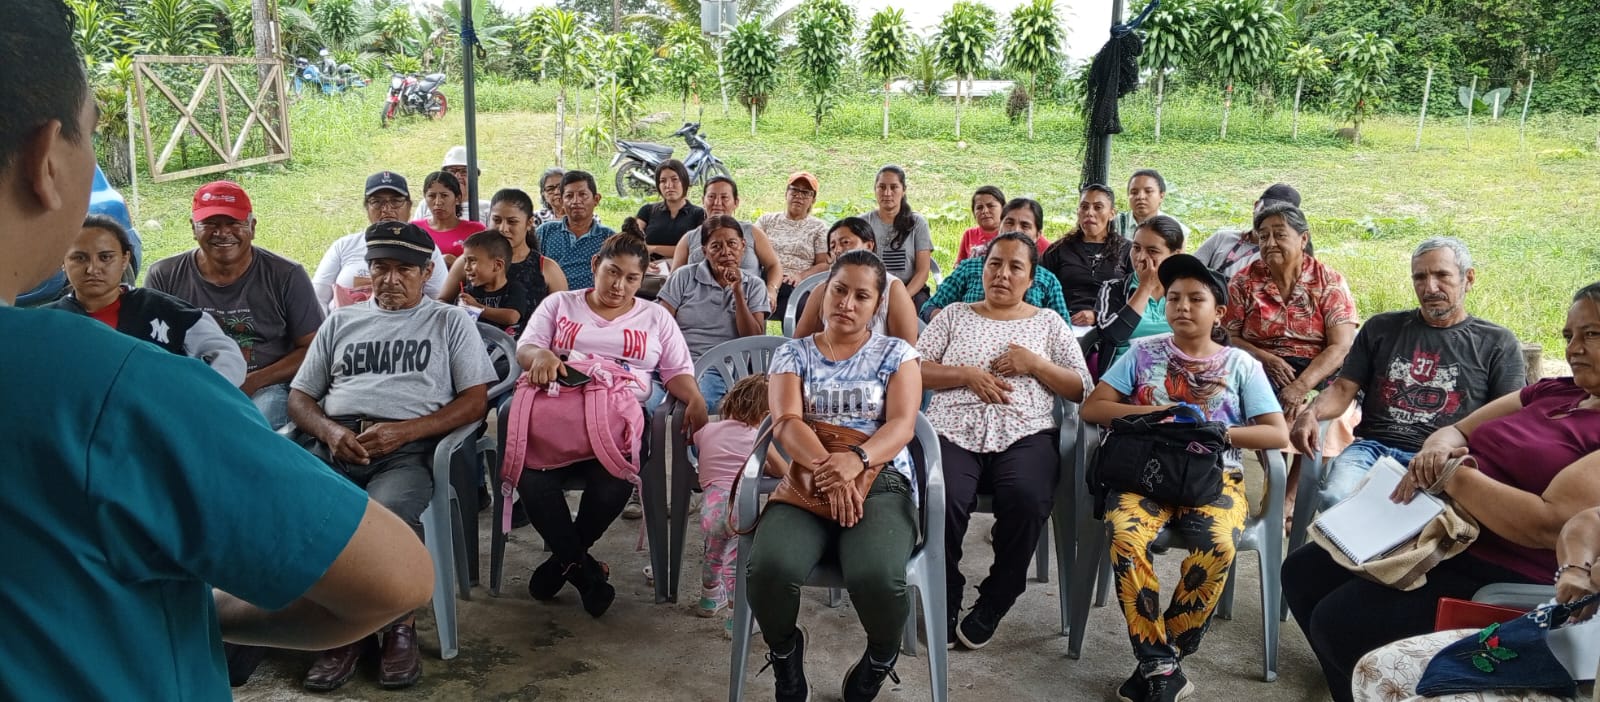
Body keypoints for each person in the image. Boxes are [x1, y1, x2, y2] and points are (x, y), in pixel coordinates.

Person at [0, 5, 429, 697]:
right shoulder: (115, 389)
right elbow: (397, 578)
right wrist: (206, 611)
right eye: (93, 134)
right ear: (46, 159)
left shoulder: (266, 287)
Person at [1283, 282, 1600, 702]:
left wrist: (1452, 476)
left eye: (1591, 334)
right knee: (1302, 573)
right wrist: (1434, 450)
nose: (1574, 348)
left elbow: (1546, 524)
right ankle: (1358, 688)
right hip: (1437, 528)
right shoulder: (1555, 391)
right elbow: (1458, 429)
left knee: (1340, 623)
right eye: (1569, 335)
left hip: (1500, 562)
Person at [287, 221, 496, 691]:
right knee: (307, 510)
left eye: (405, 269)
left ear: (427, 273)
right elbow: (300, 398)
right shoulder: (341, 321)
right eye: (380, 268)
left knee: (387, 515)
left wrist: (406, 432)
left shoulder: (449, 322)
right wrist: (331, 431)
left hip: (408, 449)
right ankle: (346, 629)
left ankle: (397, 626)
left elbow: (474, 402)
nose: (391, 279)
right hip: (337, 442)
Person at [1080, 254, 1289, 702]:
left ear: (1219, 311)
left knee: (1219, 543)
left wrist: (1217, 432)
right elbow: (1093, 408)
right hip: (1146, 474)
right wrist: (1160, 413)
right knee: (1125, 534)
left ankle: (1161, 656)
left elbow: (1276, 432)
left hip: (1214, 476)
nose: (1183, 306)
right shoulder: (1142, 352)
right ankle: (1161, 662)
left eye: (1196, 298)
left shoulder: (1240, 365)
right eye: (1174, 298)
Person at [747, 249, 924, 702]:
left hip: (881, 477)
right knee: (768, 569)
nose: (846, 303)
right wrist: (832, 468)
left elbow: (902, 425)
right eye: (839, 290)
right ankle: (785, 654)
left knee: (877, 577)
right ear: (824, 293)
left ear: (877, 304)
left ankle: (881, 657)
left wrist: (857, 460)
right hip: (809, 477)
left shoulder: (896, 353)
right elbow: (787, 422)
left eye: (861, 296)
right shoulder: (793, 353)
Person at [516, 228, 709, 617]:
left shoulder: (655, 317)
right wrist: (541, 356)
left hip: (620, 427)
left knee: (613, 485)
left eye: (632, 278)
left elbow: (675, 371)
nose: (619, 286)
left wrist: (695, 397)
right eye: (612, 272)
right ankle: (584, 572)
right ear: (595, 265)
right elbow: (526, 347)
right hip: (558, 421)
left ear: (643, 278)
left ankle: (563, 564)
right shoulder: (560, 304)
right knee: (532, 481)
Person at [918, 232, 1090, 650]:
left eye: (1016, 267)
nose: (1003, 274)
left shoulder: (1047, 323)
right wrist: (965, 375)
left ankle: (999, 595)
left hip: (1025, 433)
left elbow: (1080, 387)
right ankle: (946, 590)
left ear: (1031, 278)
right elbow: (913, 368)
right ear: (983, 268)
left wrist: (1035, 364)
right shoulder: (954, 315)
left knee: (1027, 499)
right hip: (953, 430)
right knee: (942, 498)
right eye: (995, 264)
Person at [1289, 237, 1525, 506]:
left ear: (1468, 279)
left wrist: (1450, 453)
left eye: (1442, 275)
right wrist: (1311, 413)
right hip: (1372, 448)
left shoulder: (1496, 343)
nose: (1430, 287)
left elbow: (1505, 420)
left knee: (1422, 519)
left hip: (1441, 459)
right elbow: (1343, 389)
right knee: (1337, 499)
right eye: (1420, 277)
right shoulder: (1381, 328)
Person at [1349, 505, 1600, 701]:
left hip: (1587, 680)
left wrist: (1457, 478)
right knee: (1375, 670)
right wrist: (1576, 568)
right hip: (1570, 643)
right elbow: (1592, 518)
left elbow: (1544, 517)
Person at [146, 179, 325, 430]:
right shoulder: (164, 275)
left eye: (233, 223)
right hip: (192, 385)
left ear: (252, 226)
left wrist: (253, 380)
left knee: (252, 430)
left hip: (266, 385)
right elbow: (151, 350)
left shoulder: (286, 274)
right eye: (210, 223)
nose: (222, 232)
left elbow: (314, 348)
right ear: (193, 228)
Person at [1222, 201, 1359, 521]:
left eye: (1279, 234)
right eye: (1263, 236)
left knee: (1324, 416)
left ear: (1303, 238)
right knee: (1260, 409)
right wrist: (1266, 358)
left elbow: (1341, 346)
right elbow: (1229, 337)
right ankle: (1275, 479)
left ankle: (1290, 495)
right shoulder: (1244, 281)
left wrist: (1300, 386)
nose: (1269, 243)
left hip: (1319, 366)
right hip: (1260, 364)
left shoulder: (1329, 282)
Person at [48, 214, 246, 386]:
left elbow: (228, 356)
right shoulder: (47, 322)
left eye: (105, 257)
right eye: (79, 258)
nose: (92, 269)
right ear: (62, 262)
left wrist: (200, 396)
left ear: (125, 259)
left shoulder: (166, 311)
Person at [657, 214, 771, 410]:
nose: (726, 252)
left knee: (700, 404)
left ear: (743, 246)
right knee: (646, 401)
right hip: (676, 361)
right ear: (704, 251)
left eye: (732, 244)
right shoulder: (683, 277)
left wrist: (738, 293)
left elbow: (753, 337)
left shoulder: (754, 285)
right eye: (716, 246)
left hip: (721, 366)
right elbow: (661, 324)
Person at [691, 374, 771, 620]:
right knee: (735, 564)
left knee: (713, 555)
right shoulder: (757, 438)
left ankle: (708, 599)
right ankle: (736, 620)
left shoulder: (706, 431)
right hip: (739, 508)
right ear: (766, 415)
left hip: (711, 507)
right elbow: (777, 470)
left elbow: (698, 445)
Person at [312, 171, 450, 311]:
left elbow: (439, 301)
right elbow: (317, 299)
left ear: (409, 206)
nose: (386, 209)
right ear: (367, 208)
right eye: (377, 202)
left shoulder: (424, 248)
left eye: (396, 201)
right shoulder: (344, 246)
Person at [922, 198, 1069, 323]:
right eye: (1009, 222)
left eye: (1025, 226)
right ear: (999, 227)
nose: (1016, 230)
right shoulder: (969, 268)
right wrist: (952, 323)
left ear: (1038, 235)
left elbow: (1062, 330)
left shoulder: (1047, 281)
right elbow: (929, 307)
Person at [1083, 215, 1186, 378]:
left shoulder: (1187, 293)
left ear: (1175, 255)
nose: (1140, 257)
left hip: (1176, 376)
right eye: (1136, 248)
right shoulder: (1114, 289)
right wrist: (1145, 287)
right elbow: (1113, 336)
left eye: (1152, 251)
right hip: (1124, 379)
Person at [440, 187, 568, 316]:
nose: (503, 228)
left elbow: (563, 316)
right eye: (497, 220)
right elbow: (441, 303)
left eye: (512, 222)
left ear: (529, 223)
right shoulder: (467, 262)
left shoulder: (547, 268)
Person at [793, 217, 920, 346]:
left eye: (845, 242)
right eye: (833, 246)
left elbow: (906, 350)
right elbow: (799, 345)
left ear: (869, 246)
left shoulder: (893, 289)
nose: (837, 250)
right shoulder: (823, 290)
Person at [671, 175, 784, 303]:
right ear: (703, 200)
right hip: (698, 305)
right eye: (711, 197)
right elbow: (674, 279)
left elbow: (774, 265)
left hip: (747, 302)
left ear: (736, 202)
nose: (717, 203)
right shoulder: (689, 238)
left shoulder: (753, 232)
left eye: (724, 197)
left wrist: (771, 291)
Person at [1042, 184, 1130, 328]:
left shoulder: (1128, 251)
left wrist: (1099, 315)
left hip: (1112, 328)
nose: (1089, 212)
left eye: (1098, 207)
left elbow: (1136, 297)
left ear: (1112, 213)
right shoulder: (1059, 250)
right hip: (1064, 325)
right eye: (1084, 207)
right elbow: (1041, 289)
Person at [756, 171, 830, 316]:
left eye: (806, 193)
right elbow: (750, 248)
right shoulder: (766, 221)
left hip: (796, 284)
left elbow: (824, 264)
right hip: (765, 278)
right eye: (794, 190)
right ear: (786, 193)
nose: (799, 196)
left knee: (800, 306)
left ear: (813, 199)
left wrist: (801, 276)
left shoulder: (819, 228)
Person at [1192, 183, 1300, 280]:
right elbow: (1188, 272)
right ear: (1256, 206)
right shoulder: (1221, 238)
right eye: (1265, 211)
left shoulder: (1281, 257)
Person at [860, 165, 935, 307]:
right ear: (875, 189)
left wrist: (901, 297)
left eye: (894, 187)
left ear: (903, 190)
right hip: (871, 290)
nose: (887, 193)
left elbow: (922, 272)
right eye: (882, 187)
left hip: (911, 290)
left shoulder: (917, 223)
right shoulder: (863, 222)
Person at [537, 170, 617, 290]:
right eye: (569, 196)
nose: (576, 201)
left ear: (596, 199)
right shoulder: (546, 231)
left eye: (583, 195)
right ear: (562, 202)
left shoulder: (609, 237)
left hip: (591, 300)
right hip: (550, 298)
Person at [457, 230, 533, 338]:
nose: (466, 267)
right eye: (465, 261)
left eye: (473, 261)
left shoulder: (514, 289)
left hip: (506, 346)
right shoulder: (468, 293)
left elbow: (512, 317)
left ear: (497, 265)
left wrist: (477, 307)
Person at [635, 159, 705, 262]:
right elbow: (632, 243)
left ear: (684, 181)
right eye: (663, 181)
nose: (669, 185)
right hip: (648, 267)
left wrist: (654, 248)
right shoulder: (647, 211)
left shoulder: (699, 214)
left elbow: (697, 250)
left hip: (684, 268)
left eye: (674, 179)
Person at [410, 169, 485, 265]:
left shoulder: (476, 231)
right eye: (432, 196)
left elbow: (485, 266)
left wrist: (456, 265)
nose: (438, 202)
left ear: (457, 199)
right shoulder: (414, 230)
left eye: (444, 196)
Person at [409, 146, 491, 224]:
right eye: (452, 171)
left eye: (464, 171)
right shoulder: (426, 204)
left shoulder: (487, 208)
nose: (457, 176)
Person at [1111, 169, 1192, 241]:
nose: (1140, 197)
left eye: (1148, 191)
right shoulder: (1114, 223)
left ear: (1161, 196)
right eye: (1134, 192)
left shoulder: (1174, 228)